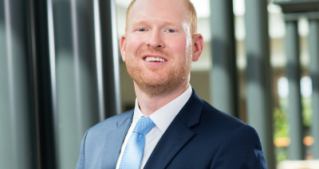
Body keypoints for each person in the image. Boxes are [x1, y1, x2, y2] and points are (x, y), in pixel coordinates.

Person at [76, 0, 267, 168]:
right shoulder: (95, 139)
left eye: (170, 30)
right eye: (142, 29)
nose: (154, 41)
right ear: (124, 47)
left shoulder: (233, 141)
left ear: (196, 47)